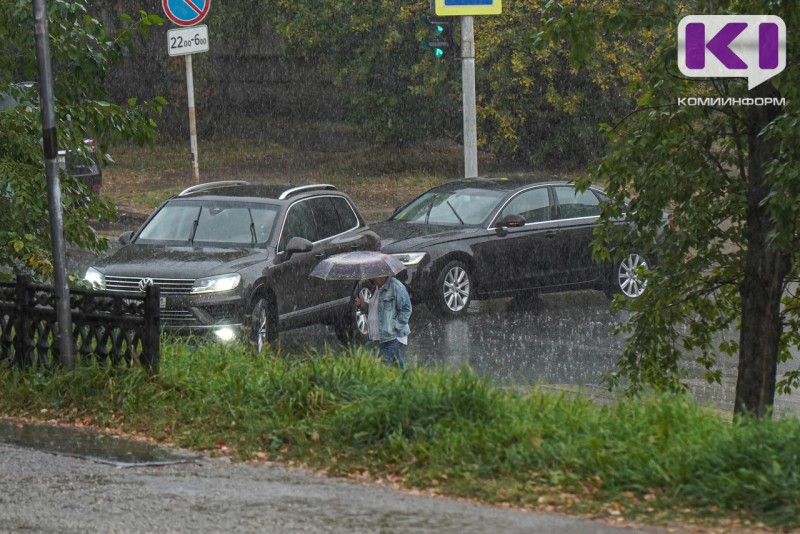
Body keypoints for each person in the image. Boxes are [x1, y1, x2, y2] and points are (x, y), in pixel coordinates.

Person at [354, 275, 412, 369]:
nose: (372, 277)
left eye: (375, 275)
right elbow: (376, 310)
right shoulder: (375, 289)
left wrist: (395, 325)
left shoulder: (396, 286)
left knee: (382, 365)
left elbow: (406, 308)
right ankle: (406, 380)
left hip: (393, 336)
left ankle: (378, 383)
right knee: (397, 363)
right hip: (381, 337)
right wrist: (363, 305)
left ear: (383, 275)